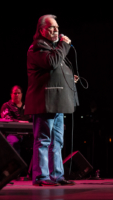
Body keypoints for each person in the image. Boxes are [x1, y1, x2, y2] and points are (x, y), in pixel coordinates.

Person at [24, 14, 79, 186]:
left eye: (57, 27)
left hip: (58, 102)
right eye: (51, 27)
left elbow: (54, 71)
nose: (56, 30)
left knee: (57, 141)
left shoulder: (53, 48)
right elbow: (52, 63)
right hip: (45, 102)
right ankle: (41, 177)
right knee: (43, 140)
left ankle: (57, 175)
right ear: (41, 30)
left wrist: (70, 79)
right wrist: (64, 45)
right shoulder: (37, 48)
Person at [0, 85, 31, 154]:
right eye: (15, 93)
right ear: (11, 95)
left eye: (19, 93)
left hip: (27, 134)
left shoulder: (27, 106)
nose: (17, 95)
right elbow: (7, 119)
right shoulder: (6, 106)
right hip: (12, 133)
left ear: (22, 94)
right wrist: (20, 122)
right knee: (14, 142)